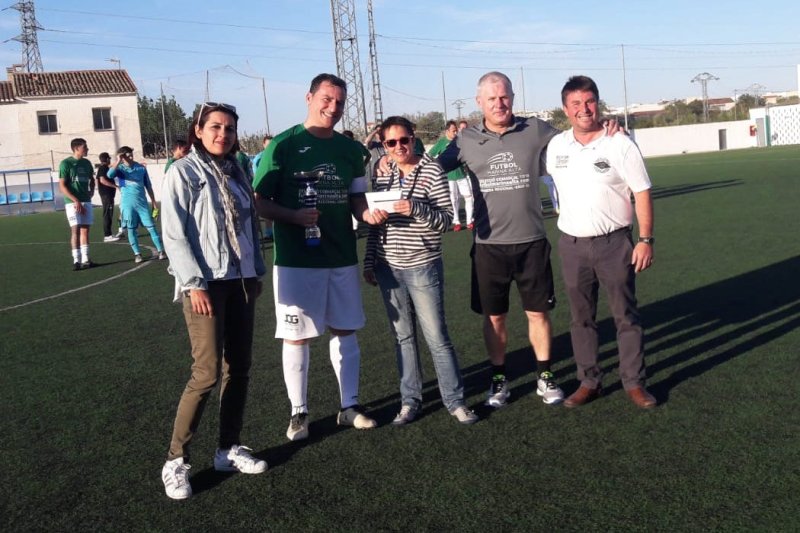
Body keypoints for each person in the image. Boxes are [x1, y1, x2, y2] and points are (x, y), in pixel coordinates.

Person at [253, 73, 387, 442]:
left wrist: (365, 214)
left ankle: (350, 407)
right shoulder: (283, 145)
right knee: (297, 337)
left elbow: (357, 198)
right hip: (297, 259)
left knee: (346, 330)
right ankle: (299, 412)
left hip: (341, 254)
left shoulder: (350, 151)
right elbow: (258, 201)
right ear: (309, 97)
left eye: (340, 102)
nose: (333, 107)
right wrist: (294, 217)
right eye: (327, 99)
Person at [435, 71, 567, 408]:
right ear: (479, 102)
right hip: (488, 246)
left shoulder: (535, 129)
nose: (499, 103)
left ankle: (545, 375)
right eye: (491, 98)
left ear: (513, 97)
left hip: (532, 242)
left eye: (504, 96)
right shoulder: (465, 140)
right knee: (494, 317)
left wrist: (607, 129)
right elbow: (431, 169)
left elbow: (576, 143)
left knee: (537, 314)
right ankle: (498, 378)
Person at [159, 101, 268, 500]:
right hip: (206, 283)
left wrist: (255, 270)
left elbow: (250, 226)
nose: (223, 134)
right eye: (216, 127)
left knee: (238, 368)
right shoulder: (184, 171)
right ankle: (175, 460)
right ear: (199, 130)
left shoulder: (237, 169)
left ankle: (227, 448)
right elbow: (174, 234)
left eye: (230, 129)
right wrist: (193, 283)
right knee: (205, 373)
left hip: (240, 280)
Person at [545, 75, 656, 409]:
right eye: (576, 103)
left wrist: (645, 239)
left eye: (590, 101)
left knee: (626, 316)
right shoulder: (557, 146)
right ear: (565, 109)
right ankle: (589, 380)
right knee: (581, 319)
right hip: (572, 245)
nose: (584, 109)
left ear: (599, 103)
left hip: (614, 244)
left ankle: (634, 382)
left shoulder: (619, 143)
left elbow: (642, 192)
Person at [363, 116, 478, 426]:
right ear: (384, 146)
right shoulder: (383, 174)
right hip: (389, 267)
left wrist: (415, 208)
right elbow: (375, 224)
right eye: (391, 142)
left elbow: (444, 220)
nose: (399, 146)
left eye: (404, 140)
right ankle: (409, 401)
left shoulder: (431, 170)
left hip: (423, 265)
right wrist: (370, 261)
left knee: (437, 337)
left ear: (413, 139)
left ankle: (454, 401)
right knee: (403, 338)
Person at [108, 146, 167, 263]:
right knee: (131, 229)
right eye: (127, 155)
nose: (130, 157)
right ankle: (137, 254)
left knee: (151, 227)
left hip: (142, 204)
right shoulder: (119, 169)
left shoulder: (141, 168)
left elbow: (148, 186)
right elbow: (109, 175)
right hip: (127, 204)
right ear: (122, 157)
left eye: (131, 155)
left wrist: (154, 203)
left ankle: (161, 251)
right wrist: (119, 160)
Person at [428, 120, 474, 231]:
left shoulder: (460, 141)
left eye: (456, 130)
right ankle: (456, 221)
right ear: (447, 131)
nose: (455, 133)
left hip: (462, 174)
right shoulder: (441, 142)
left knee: (468, 197)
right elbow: (430, 155)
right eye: (453, 131)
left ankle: (469, 221)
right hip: (448, 177)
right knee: (453, 199)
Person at [58, 138, 95, 270]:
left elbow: (92, 179)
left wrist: (91, 192)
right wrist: (75, 200)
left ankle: (86, 259)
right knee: (75, 230)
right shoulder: (66, 163)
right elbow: (62, 186)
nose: (87, 149)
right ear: (76, 148)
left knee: (85, 230)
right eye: (85, 147)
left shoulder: (87, 163)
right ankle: (76, 261)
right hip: (72, 203)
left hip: (86, 201)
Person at [252, 135, 275, 240]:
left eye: (271, 144)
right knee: (262, 211)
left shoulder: (276, 154)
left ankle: (271, 232)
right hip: (262, 187)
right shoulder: (259, 158)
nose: (270, 146)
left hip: (274, 187)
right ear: (264, 144)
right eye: (268, 144)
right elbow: (257, 174)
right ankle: (265, 232)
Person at [95, 152, 121, 242]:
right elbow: (102, 180)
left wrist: (119, 160)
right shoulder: (103, 168)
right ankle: (107, 235)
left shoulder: (104, 168)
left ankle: (109, 233)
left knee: (109, 214)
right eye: (109, 158)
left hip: (106, 194)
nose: (110, 160)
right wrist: (115, 186)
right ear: (106, 159)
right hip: (106, 195)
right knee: (107, 214)